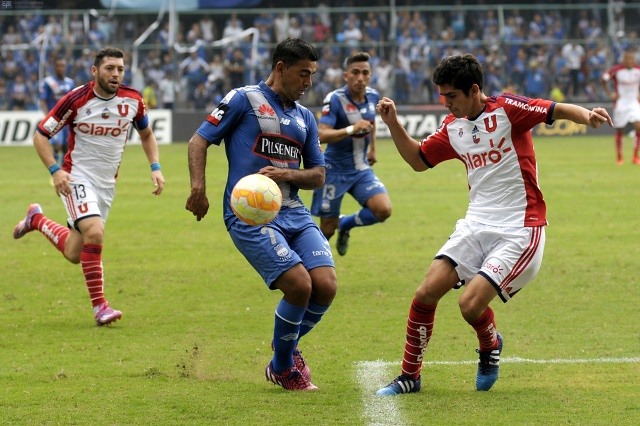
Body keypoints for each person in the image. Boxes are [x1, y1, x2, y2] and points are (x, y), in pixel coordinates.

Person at [374, 53, 612, 396]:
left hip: (520, 226)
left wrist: (587, 115)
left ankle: (489, 345)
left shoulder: (507, 109)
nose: (445, 104)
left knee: (469, 305)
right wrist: (393, 122)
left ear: (473, 90)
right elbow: (417, 160)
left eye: (451, 96)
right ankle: (410, 376)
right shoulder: (452, 128)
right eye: (442, 95)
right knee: (426, 293)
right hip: (476, 224)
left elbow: (554, 110)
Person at [185, 38, 337, 391]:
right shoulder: (243, 99)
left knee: (326, 286)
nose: (308, 83)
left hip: (294, 212)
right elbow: (199, 140)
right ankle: (283, 367)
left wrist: (286, 174)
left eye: (312, 75)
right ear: (280, 68)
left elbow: (318, 175)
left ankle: (284, 345)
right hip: (250, 216)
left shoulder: (305, 118)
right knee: (300, 286)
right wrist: (198, 188)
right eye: (303, 74)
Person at [13, 46, 166, 326]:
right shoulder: (76, 99)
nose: (116, 74)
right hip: (76, 177)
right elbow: (40, 135)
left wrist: (155, 167)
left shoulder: (133, 100)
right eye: (109, 68)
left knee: (75, 253)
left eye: (120, 69)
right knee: (94, 232)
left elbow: (146, 134)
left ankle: (36, 219)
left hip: (107, 185)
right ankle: (101, 308)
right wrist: (55, 170)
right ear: (95, 71)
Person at [310, 51, 391, 256]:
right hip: (333, 170)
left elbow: (370, 123)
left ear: (370, 76)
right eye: (355, 72)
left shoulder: (372, 96)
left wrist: (373, 148)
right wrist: (350, 130)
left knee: (383, 210)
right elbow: (321, 134)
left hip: (360, 169)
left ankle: (345, 224)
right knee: (326, 230)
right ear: (346, 75)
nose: (360, 78)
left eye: (365, 73)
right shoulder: (335, 100)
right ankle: (311, 267)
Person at [600, 47, 640, 165]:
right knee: (620, 130)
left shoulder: (638, 69)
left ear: (634, 59)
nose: (629, 60)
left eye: (631, 58)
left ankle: (635, 156)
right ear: (623, 59)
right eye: (627, 58)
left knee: (638, 126)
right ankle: (619, 157)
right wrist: (609, 93)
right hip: (621, 103)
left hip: (634, 102)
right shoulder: (616, 70)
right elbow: (603, 79)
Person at [39, 57, 76, 165]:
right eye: (58, 65)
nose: (61, 68)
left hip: (67, 120)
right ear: (54, 67)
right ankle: (55, 171)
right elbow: (43, 100)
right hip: (54, 119)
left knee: (66, 146)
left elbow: (74, 101)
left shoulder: (70, 83)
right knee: (56, 145)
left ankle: (63, 171)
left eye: (63, 66)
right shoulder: (48, 82)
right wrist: (47, 116)